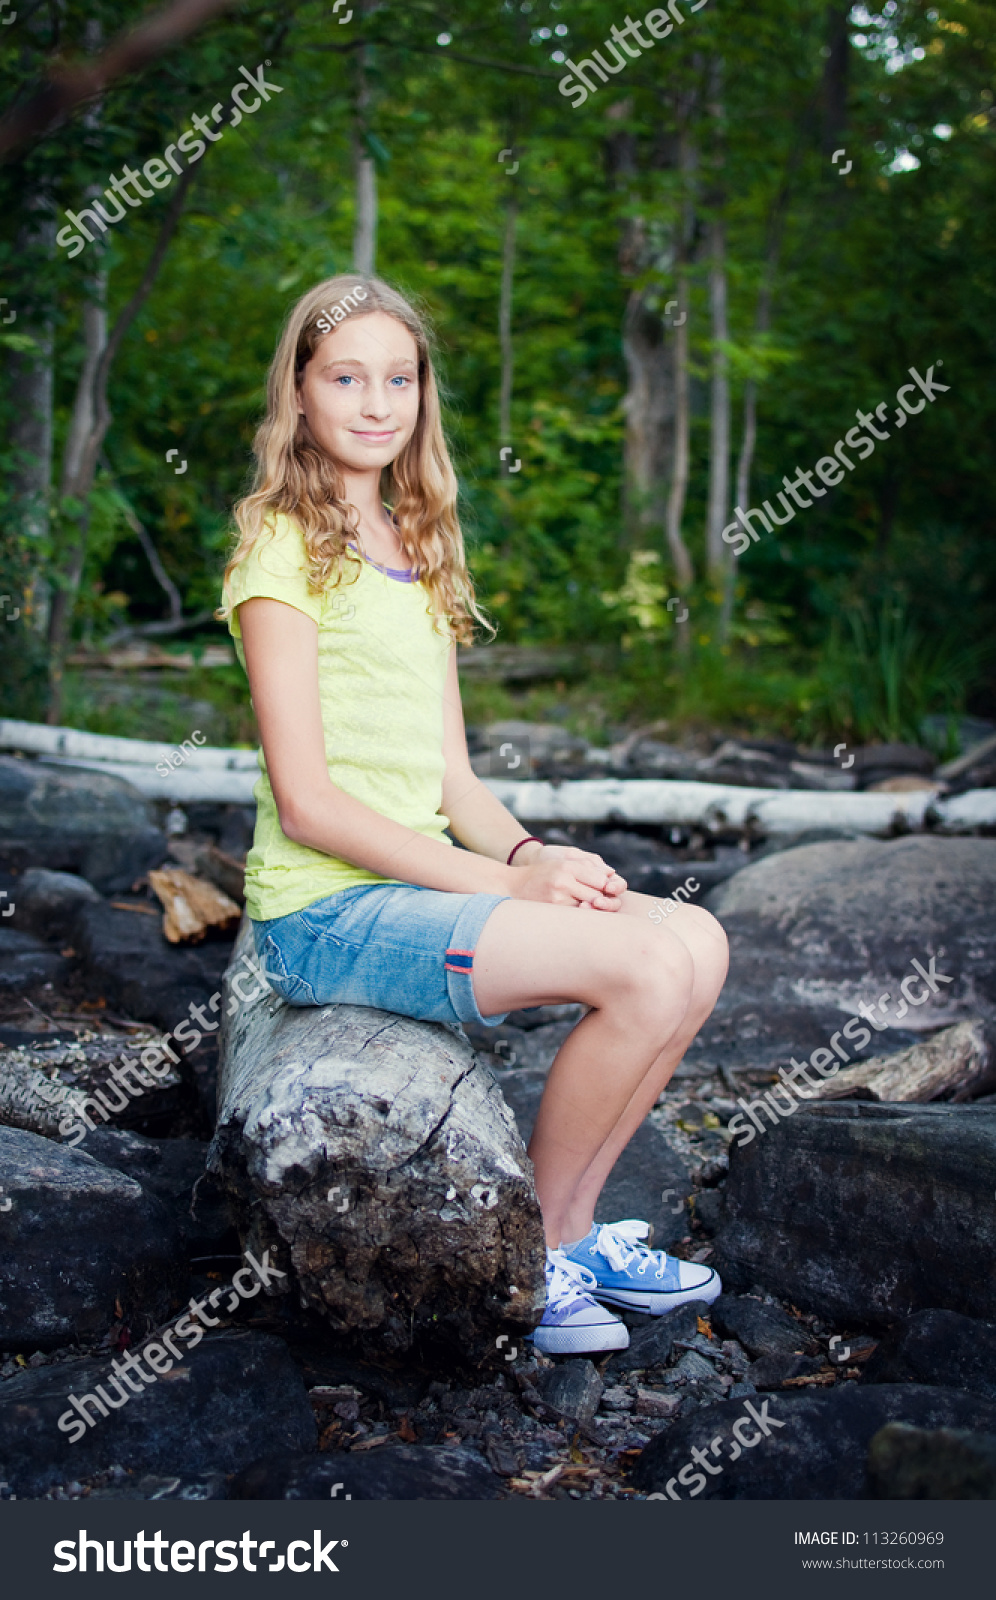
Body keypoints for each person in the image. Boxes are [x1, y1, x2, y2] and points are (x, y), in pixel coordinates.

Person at [220, 274, 729, 1354]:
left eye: (398, 377)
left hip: (413, 883)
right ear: (300, 393)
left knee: (697, 938)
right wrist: (507, 886)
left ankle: (577, 1233)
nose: (375, 401)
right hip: (325, 917)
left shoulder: (418, 540)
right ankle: (526, 1261)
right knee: (640, 966)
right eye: (345, 376)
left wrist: (538, 852)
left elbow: (452, 777)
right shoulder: (278, 549)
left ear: (422, 393)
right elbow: (308, 804)